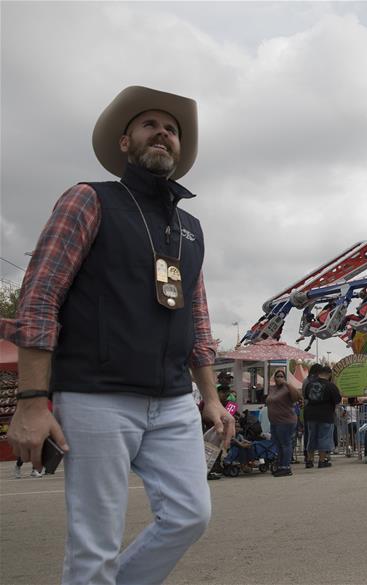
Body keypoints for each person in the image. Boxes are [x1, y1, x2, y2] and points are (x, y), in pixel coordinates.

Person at [0, 86, 234, 585]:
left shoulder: (190, 227)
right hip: (96, 395)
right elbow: (39, 299)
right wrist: (32, 401)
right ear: (125, 142)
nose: (163, 134)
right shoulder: (88, 200)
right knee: (96, 543)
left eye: (171, 130)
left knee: (190, 515)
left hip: (173, 399)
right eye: (150, 125)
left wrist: (211, 399)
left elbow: (197, 319)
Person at [303, 365, 342, 469]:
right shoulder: (331, 386)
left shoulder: (309, 384)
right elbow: (337, 400)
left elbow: (306, 398)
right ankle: (322, 461)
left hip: (310, 415)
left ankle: (309, 460)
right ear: (329, 374)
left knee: (311, 437)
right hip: (326, 415)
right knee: (324, 438)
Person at [267, 369, 301, 477]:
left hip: (286, 421)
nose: (279, 378)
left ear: (285, 378)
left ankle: (286, 467)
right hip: (274, 421)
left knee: (285, 444)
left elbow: (297, 397)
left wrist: (286, 384)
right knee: (278, 444)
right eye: (277, 376)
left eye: (281, 376)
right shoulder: (272, 389)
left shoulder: (288, 388)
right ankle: (280, 465)